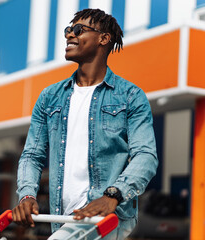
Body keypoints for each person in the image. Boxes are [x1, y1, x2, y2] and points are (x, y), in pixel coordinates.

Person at [12, 8, 158, 240]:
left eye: (78, 30)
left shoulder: (130, 96)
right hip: (63, 218)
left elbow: (146, 155)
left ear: (103, 38)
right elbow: (32, 155)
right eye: (68, 30)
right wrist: (27, 196)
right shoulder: (50, 97)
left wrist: (113, 195)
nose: (70, 35)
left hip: (109, 217)